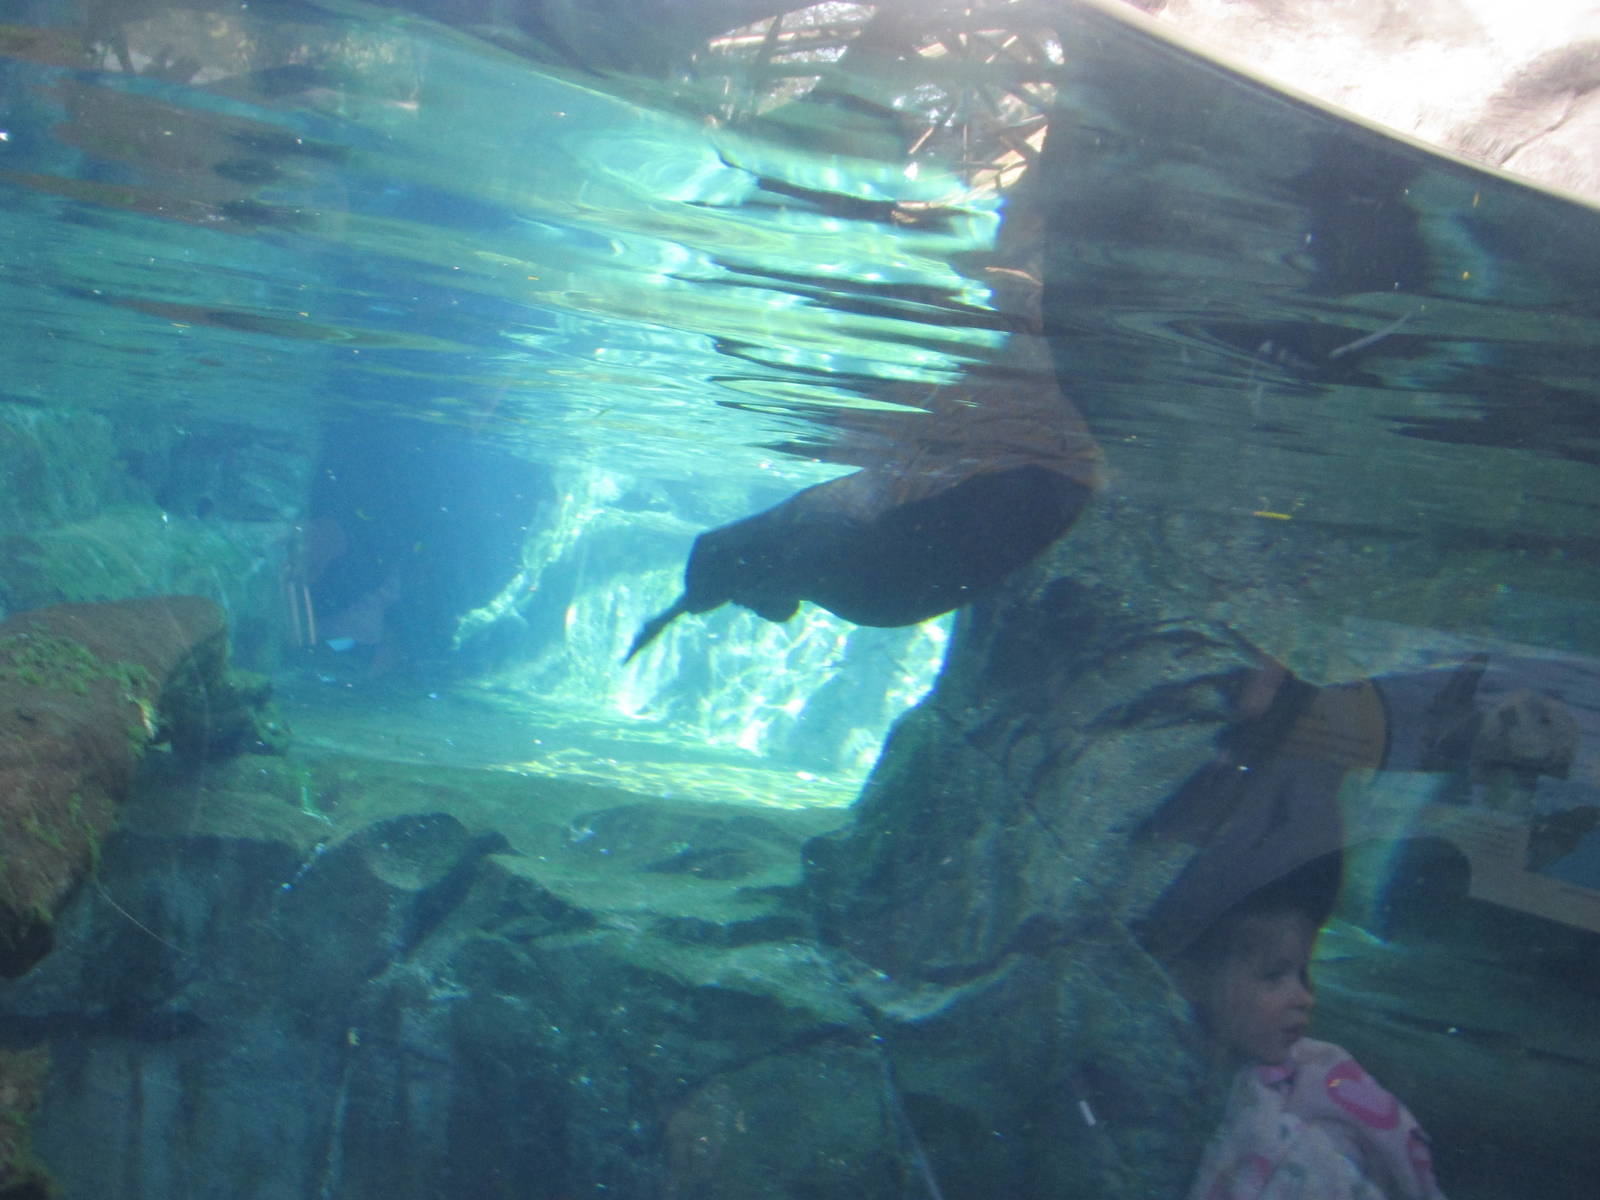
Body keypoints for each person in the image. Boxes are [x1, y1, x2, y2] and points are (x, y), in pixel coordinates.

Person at [1172, 881, 1448, 1200]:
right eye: (1274, 976)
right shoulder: (1179, 1075)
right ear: (1191, 981)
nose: (1305, 998)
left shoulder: (1323, 1067)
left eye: (1304, 975)